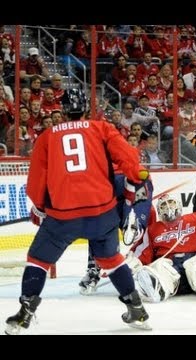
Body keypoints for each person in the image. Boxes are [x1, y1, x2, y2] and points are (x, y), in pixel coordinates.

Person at [4, 89, 151, 334]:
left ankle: (25, 313)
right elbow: (129, 157)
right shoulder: (101, 128)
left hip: (63, 216)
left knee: (38, 261)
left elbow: (36, 181)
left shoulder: (47, 136)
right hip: (102, 212)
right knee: (111, 259)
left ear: (61, 111)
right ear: (86, 110)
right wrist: (136, 179)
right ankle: (136, 308)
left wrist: (40, 207)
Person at [126, 188, 196, 302]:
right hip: (172, 269)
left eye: (171, 203)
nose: (169, 207)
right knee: (161, 265)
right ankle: (157, 288)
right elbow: (143, 251)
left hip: (194, 260)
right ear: (159, 211)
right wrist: (131, 263)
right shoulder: (153, 229)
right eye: (163, 205)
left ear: (178, 205)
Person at [78, 134, 154, 295]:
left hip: (106, 190)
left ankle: (93, 272)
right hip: (130, 184)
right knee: (145, 212)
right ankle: (135, 225)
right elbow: (139, 173)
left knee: (97, 228)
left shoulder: (95, 154)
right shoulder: (125, 150)